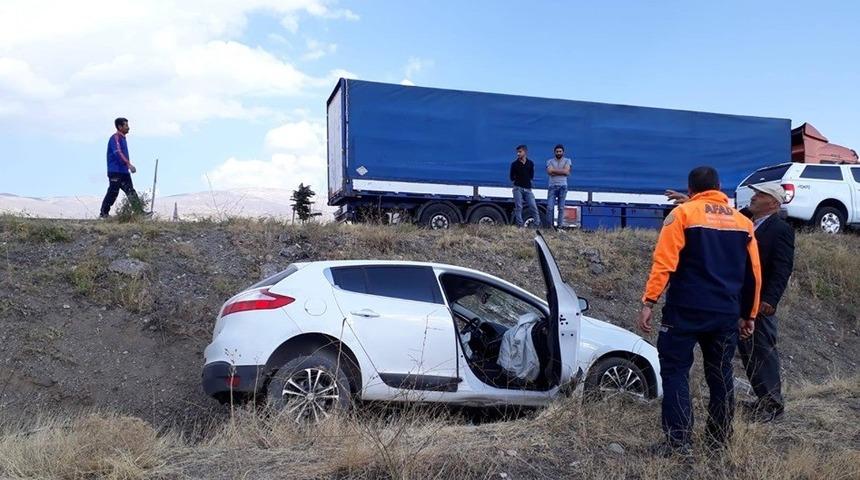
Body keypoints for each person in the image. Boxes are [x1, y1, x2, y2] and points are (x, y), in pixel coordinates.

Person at [638, 166, 761, 457]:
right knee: (720, 375)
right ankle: (719, 441)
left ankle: (678, 442)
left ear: (690, 190)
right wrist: (749, 314)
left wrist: (649, 301)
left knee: (676, 372)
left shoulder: (682, 214)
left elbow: (664, 262)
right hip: (725, 313)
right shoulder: (744, 223)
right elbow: (754, 274)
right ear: (719, 187)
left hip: (685, 311)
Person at [664, 183, 795, 423]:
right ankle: (763, 400)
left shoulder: (781, 230)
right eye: (755, 193)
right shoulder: (743, 218)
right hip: (736, 299)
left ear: (774, 203)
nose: (754, 197)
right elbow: (713, 210)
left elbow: (782, 268)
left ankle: (773, 405)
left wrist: (769, 300)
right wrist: (690, 202)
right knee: (747, 352)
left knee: (761, 351)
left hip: (758, 302)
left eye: (761, 195)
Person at [100, 117, 145, 218]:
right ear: (120, 127)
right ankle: (103, 213)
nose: (128, 128)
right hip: (115, 171)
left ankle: (139, 213)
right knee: (113, 192)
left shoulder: (123, 139)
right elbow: (118, 152)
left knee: (130, 191)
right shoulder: (115, 138)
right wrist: (128, 164)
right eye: (126, 125)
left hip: (124, 171)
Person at [509, 145, 540, 228]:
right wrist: (517, 180)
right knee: (519, 207)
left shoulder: (530, 163)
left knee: (533, 206)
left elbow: (531, 176)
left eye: (520, 152)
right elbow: (511, 177)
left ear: (525, 152)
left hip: (528, 189)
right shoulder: (514, 164)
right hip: (517, 188)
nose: (518, 154)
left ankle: (537, 225)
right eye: (517, 152)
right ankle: (520, 226)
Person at [545, 144, 571, 228]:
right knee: (549, 208)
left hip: (563, 187)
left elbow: (566, 172)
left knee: (561, 208)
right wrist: (562, 171)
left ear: (563, 152)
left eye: (560, 151)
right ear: (554, 152)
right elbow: (549, 172)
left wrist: (554, 171)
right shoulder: (549, 161)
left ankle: (559, 227)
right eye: (557, 151)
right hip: (552, 186)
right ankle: (550, 227)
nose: (558, 153)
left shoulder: (567, 160)